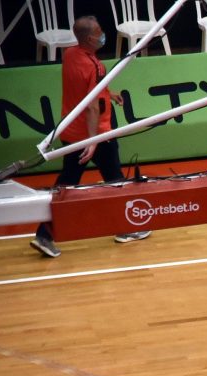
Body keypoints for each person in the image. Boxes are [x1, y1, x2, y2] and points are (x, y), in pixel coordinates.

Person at [30, 15, 151, 259]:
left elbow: (85, 89)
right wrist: (94, 141)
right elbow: (92, 107)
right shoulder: (95, 66)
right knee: (114, 180)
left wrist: (109, 93)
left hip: (70, 131)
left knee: (68, 184)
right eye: (99, 32)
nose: (102, 34)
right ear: (88, 39)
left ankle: (44, 235)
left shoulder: (70, 55)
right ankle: (126, 228)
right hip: (95, 134)